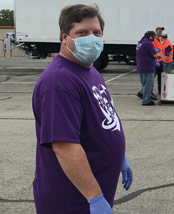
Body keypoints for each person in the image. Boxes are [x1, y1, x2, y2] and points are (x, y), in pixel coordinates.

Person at [32, 4, 133, 214]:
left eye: (96, 32)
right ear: (64, 37)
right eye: (82, 33)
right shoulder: (58, 82)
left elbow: (102, 117)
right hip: (71, 200)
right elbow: (64, 146)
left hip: (89, 193)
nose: (92, 38)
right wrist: (95, 198)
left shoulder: (89, 71)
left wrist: (119, 155)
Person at [136, 31, 159, 106]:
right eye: (154, 37)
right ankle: (146, 100)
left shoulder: (140, 42)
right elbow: (154, 55)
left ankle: (145, 98)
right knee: (148, 84)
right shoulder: (148, 43)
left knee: (144, 83)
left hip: (141, 66)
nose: (154, 39)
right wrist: (159, 54)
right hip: (148, 67)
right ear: (150, 36)